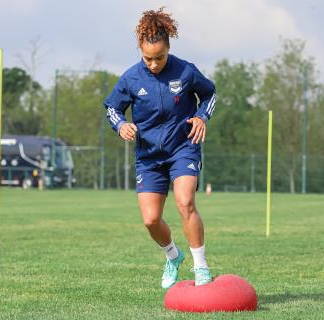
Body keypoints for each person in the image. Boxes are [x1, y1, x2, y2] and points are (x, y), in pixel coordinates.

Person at [103, 7, 216, 289]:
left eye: (160, 58)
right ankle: (173, 256)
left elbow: (210, 94)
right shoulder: (131, 78)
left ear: (168, 47)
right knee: (151, 220)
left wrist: (202, 117)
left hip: (183, 148)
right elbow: (112, 109)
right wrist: (121, 126)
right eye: (148, 59)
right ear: (140, 51)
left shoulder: (186, 71)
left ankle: (200, 267)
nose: (153, 64)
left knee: (185, 201)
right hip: (149, 156)